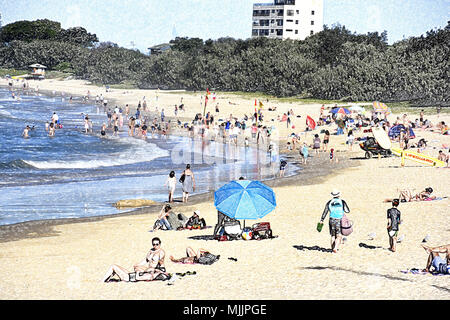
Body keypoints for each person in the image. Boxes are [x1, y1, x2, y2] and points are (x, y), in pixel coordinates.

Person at [103, 237, 169, 282]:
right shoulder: (151, 251)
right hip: (149, 270)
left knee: (114, 267)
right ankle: (105, 279)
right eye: (153, 244)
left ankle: (102, 281)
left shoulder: (161, 252)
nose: (155, 246)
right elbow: (146, 260)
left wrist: (157, 271)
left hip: (156, 270)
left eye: (157, 244)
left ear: (160, 244)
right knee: (136, 268)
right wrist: (138, 265)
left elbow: (158, 264)